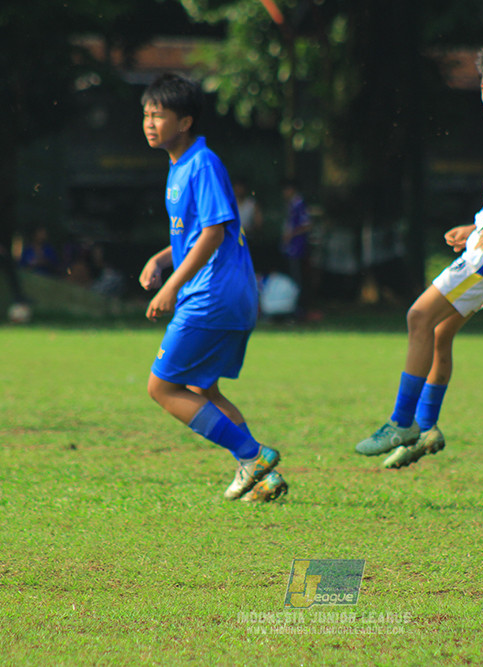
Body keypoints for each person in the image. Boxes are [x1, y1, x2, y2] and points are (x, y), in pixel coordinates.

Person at [354, 41, 483, 468]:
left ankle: (402, 423)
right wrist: (481, 224)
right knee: (440, 333)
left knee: (417, 317)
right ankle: (426, 430)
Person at [137, 73, 287, 503]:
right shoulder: (181, 166)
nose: (149, 123)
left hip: (212, 294)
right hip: (230, 292)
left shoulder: (201, 164)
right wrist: (162, 260)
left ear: (184, 122)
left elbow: (214, 233)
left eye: (158, 115)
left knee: (161, 387)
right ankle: (261, 477)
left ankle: (252, 455)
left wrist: (172, 286)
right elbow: (195, 232)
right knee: (204, 390)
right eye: (146, 115)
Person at [280, 179, 312, 308]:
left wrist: (291, 234)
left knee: (297, 278)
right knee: (293, 277)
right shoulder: (291, 205)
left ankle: (300, 308)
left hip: (297, 247)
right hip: (290, 248)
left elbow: (307, 225)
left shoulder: (300, 205)